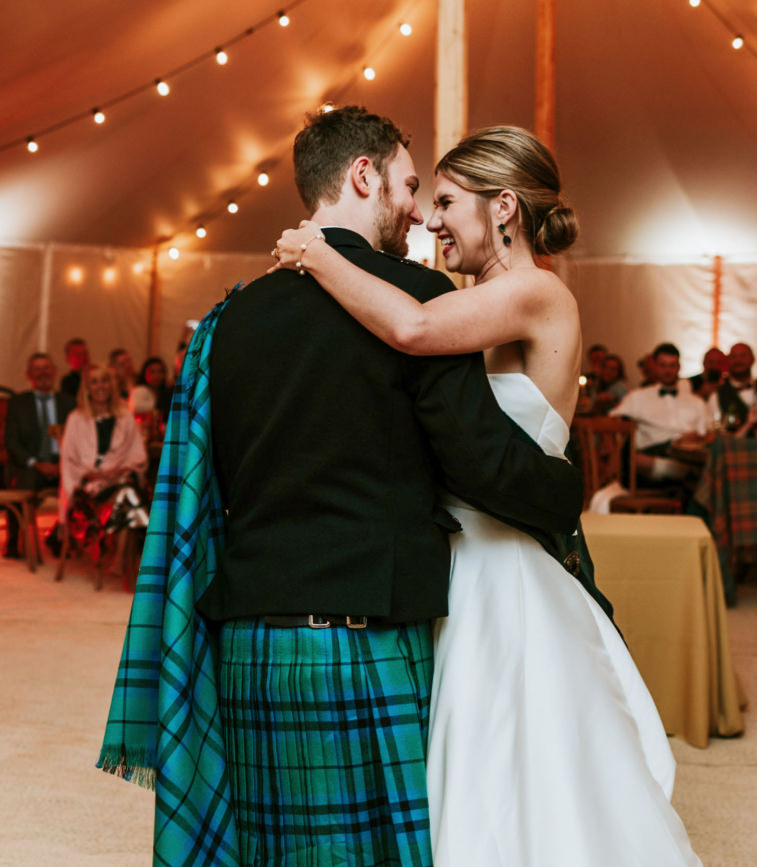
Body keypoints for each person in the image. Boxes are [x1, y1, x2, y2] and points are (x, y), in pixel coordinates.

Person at [99, 108, 588, 865]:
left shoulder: (226, 321)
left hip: (249, 640)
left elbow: (207, 487)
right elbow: (480, 465)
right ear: (364, 176)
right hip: (371, 635)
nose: (419, 210)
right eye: (409, 184)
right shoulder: (420, 297)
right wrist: (563, 494)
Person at [271, 122, 700, 864]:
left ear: (502, 207)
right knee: (471, 771)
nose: (430, 220)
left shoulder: (536, 292)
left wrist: (317, 250)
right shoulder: (485, 297)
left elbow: (411, 326)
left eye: (445, 202)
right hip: (458, 557)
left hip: (506, 569)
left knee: (511, 768)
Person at [58, 363, 149, 565]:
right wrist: (94, 476)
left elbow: (138, 456)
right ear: (87, 388)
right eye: (94, 382)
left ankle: (119, 560)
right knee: (130, 493)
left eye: (105, 380)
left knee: (127, 490)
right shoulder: (76, 419)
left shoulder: (125, 417)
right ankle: (129, 557)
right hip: (88, 486)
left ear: (112, 385)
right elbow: (68, 461)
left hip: (118, 480)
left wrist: (116, 472)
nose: (100, 386)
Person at [3, 353, 74, 558]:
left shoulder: (68, 402)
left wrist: (62, 464)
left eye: (46, 368)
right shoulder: (18, 403)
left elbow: (78, 438)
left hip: (64, 463)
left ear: (54, 372)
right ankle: (14, 541)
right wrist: (36, 463)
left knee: (79, 485)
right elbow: (12, 442)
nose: (42, 373)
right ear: (28, 375)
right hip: (30, 464)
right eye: (37, 369)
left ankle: (62, 538)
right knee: (24, 481)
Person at [612, 341, 712, 479]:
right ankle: (689, 474)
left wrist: (690, 440)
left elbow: (706, 434)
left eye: (672, 365)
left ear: (678, 367)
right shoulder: (638, 397)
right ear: (655, 367)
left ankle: (689, 474)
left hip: (689, 456)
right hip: (652, 457)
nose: (667, 371)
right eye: (663, 365)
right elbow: (611, 421)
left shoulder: (696, 402)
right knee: (638, 460)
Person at [707, 341, 756, 427]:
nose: (738, 360)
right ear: (727, 361)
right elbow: (714, 428)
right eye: (733, 357)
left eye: (743, 356)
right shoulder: (717, 395)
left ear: (753, 359)